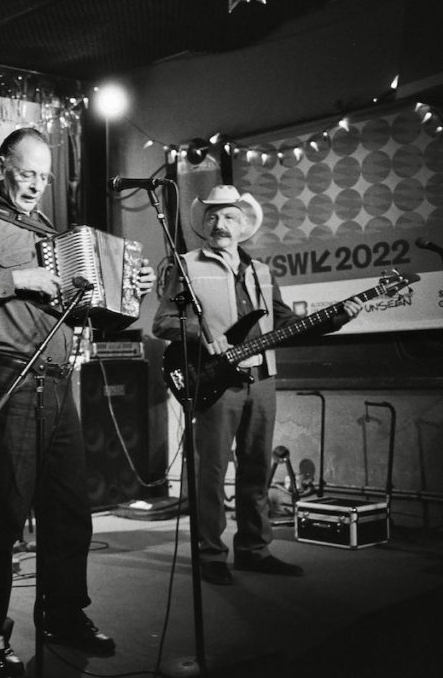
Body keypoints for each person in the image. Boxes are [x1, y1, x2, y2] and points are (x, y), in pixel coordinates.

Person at [0, 127, 156, 676]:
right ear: (2, 165)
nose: (35, 184)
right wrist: (18, 278)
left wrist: (133, 288)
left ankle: (64, 616)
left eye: (44, 176)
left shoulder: (54, 236)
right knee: (4, 519)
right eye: (26, 172)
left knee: (69, 514)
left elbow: (84, 310)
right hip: (10, 377)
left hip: (58, 381)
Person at [152, 184, 361, 586]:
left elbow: (284, 325)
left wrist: (336, 319)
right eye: (212, 216)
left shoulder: (261, 271)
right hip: (214, 380)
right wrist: (201, 332)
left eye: (229, 216)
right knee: (211, 473)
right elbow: (163, 322)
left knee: (255, 469)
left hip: (262, 379)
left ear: (243, 224)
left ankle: (254, 549)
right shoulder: (188, 264)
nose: (220, 224)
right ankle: (210, 554)